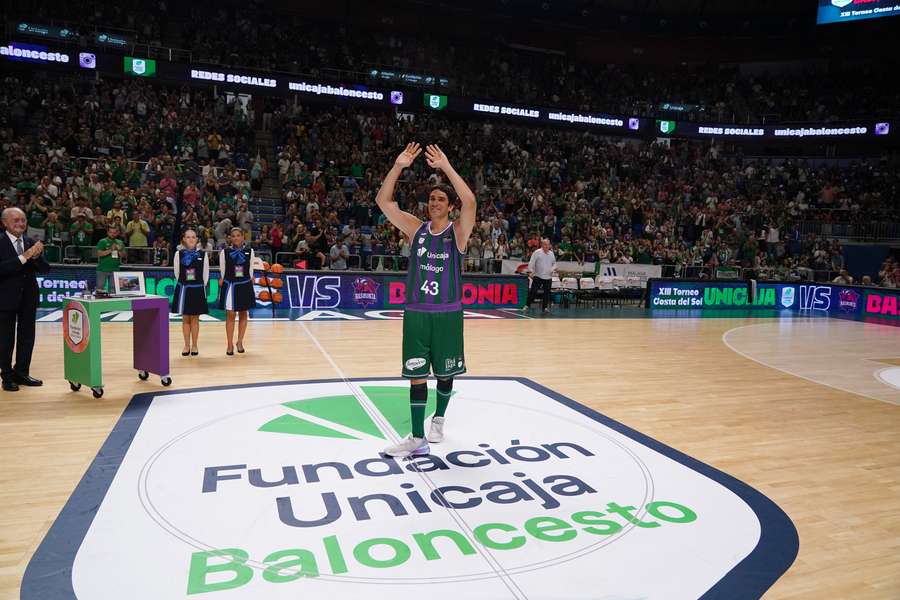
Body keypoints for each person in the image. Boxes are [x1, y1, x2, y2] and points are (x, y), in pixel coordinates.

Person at [375, 143, 476, 458]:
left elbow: (471, 201)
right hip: (417, 313)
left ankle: (439, 419)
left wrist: (445, 166)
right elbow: (383, 201)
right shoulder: (415, 229)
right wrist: (397, 166)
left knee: (445, 373)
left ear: (449, 206)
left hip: (447, 314)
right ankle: (417, 437)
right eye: (431, 198)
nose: (434, 202)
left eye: (441, 199)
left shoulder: (457, 233)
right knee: (416, 374)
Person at [0, 207, 50, 391]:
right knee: (5, 339)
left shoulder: (30, 241)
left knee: (27, 337)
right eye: (16, 220)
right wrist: (25, 257)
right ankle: (6, 376)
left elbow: (46, 269)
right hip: (5, 299)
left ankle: (21, 372)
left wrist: (36, 256)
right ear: (4, 223)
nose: (20, 223)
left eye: (23, 220)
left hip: (28, 298)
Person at [172, 229, 210, 356]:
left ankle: (194, 345)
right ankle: (186, 345)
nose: (191, 239)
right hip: (184, 289)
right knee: (185, 319)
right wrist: (185, 284)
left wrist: (199, 287)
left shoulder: (203, 255)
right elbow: (177, 274)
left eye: (193, 237)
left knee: (195, 319)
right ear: (183, 239)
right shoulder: (178, 254)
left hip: (197, 289)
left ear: (197, 239)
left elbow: (206, 276)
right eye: (188, 237)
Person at [218, 227, 255, 355]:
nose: (236, 238)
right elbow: (222, 271)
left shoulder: (250, 251)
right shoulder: (225, 252)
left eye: (238, 235)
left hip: (244, 285)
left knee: (244, 314)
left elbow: (250, 269)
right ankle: (229, 344)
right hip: (230, 286)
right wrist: (222, 279)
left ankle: (239, 341)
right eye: (233, 236)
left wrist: (251, 277)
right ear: (230, 238)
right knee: (230, 315)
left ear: (243, 237)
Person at [526, 238, 557, 313]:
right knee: (533, 291)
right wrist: (530, 272)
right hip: (538, 276)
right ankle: (527, 305)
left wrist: (552, 269)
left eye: (548, 244)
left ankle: (545, 308)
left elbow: (554, 264)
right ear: (542, 245)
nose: (547, 246)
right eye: (545, 244)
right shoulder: (537, 252)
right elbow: (531, 262)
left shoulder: (551, 253)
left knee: (547, 293)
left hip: (548, 277)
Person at [95, 225, 125, 292]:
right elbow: (99, 254)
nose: (112, 234)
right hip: (102, 270)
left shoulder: (120, 242)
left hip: (115, 270)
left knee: (113, 290)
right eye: (111, 232)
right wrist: (111, 250)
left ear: (117, 233)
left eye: (114, 232)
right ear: (107, 233)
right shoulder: (102, 241)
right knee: (100, 289)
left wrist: (118, 250)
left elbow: (124, 255)